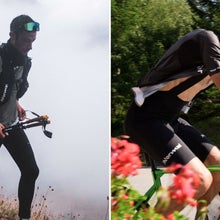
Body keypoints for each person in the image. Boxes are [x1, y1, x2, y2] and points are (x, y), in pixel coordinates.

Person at [125, 29, 220, 217]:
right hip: (146, 119)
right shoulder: (209, 41)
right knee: (198, 179)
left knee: (218, 165)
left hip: (171, 120)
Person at [0, 15, 40, 220]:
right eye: (26, 41)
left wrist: (15, 103)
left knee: (31, 170)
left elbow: (10, 87)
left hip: (11, 124)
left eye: (33, 41)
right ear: (12, 36)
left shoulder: (23, 62)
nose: (30, 46)